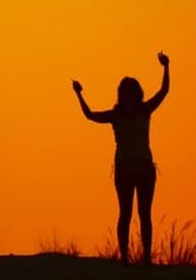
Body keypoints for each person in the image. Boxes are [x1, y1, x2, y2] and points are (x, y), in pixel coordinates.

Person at [72, 52, 170, 265]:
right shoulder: (116, 115)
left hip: (144, 169)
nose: (129, 98)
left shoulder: (145, 110)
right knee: (125, 213)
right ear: (122, 96)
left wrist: (166, 68)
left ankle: (146, 258)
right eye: (126, 94)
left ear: (137, 95)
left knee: (145, 214)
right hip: (124, 170)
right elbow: (90, 115)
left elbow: (164, 91)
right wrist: (79, 95)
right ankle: (124, 257)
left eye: (132, 94)